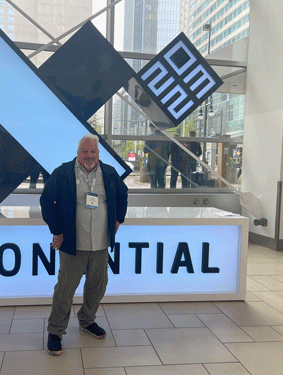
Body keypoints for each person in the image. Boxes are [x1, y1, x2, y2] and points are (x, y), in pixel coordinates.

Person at [40, 134, 128, 356]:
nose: (89, 156)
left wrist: (118, 219)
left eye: (93, 152)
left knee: (97, 285)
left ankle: (87, 320)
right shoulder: (62, 173)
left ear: (98, 153)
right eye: (84, 152)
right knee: (65, 289)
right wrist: (57, 231)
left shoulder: (108, 173)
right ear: (77, 153)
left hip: (100, 242)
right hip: (73, 243)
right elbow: (46, 201)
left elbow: (123, 194)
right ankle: (55, 331)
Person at [144, 123, 171, 188]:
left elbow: (145, 150)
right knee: (161, 180)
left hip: (152, 162)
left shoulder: (149, 137)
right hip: (163, 161)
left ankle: (153, 196)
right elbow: (169, 150)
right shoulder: (166, 136)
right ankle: (161, 196)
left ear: (152, 127)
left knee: (153, 181)